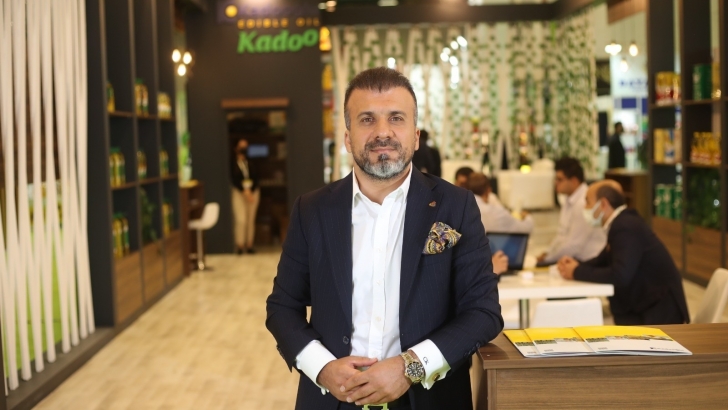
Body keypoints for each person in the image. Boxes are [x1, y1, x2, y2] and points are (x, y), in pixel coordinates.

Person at [266, 67, 503, 410]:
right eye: (367, 119)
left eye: (396, 118)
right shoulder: (312, 210)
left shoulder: (456, 206)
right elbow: (282, 307)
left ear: (415, 136)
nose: (382, 132)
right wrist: (322, 368)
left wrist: (410, 368)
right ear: (348, 138)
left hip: (429, 399)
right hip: (334, 399)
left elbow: (483, 312)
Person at [557, 180, 689, 325]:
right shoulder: (622, 223)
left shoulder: (625, 226)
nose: (585, 207)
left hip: (659, 311)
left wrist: (576, 271)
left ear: (603, 204)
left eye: (588, 202)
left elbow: (620, 275)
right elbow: (602, 260)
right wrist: (575, 265)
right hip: (646, 307)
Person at [536, 157, 606, 265]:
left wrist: (548, 259)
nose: (556, 183)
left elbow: (574, 245)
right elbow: (561, 235)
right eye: (555, 179)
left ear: (573, 181)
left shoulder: (584, 202)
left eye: (560, 179)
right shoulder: (569, 199)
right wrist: (547, 253)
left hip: (589, 263)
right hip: (575, 259)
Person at [467, 173, 533, 234]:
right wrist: (527, 217)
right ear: (488, 190)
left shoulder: (463, 209)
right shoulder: (497, 212)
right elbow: (525, 229)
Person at [230, 138, 260, 254]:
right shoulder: (233, 163)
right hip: (239, 192)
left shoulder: (251, 162)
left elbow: (256, 177)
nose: (244, 149)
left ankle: (249, 245)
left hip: (253, 192)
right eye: (241, 147)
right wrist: (244, 191)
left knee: (250, 220)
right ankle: (240, 245)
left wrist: (250, 191)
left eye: (246, 147)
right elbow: (234, 178)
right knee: (241, 219)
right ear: (236, 148)